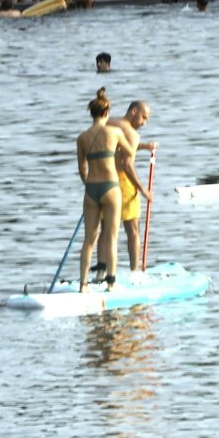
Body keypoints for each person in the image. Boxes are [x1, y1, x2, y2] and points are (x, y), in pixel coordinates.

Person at [75, 88, 123, 292]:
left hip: (91, 189)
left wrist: (88, 184)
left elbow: (81, 168)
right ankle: (111, 283)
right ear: (107, 112)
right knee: (111, 237)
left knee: (89, 239)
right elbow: (129, 151)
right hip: (110, 187)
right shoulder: (115, 132)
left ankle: (83, 285)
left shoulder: (82, 137)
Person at [107, 100, 156, 273]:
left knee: (106, 230)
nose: (144, 123)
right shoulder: (132, 134)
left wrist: (144, 147)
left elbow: (120, 147)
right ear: (133, 111)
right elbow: (127, 164)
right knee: (133, 230)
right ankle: (135, 272)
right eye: (143, 117)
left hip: (105, 179)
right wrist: (143, 190)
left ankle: (103, 272)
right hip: (123, 182)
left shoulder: (110, 123)